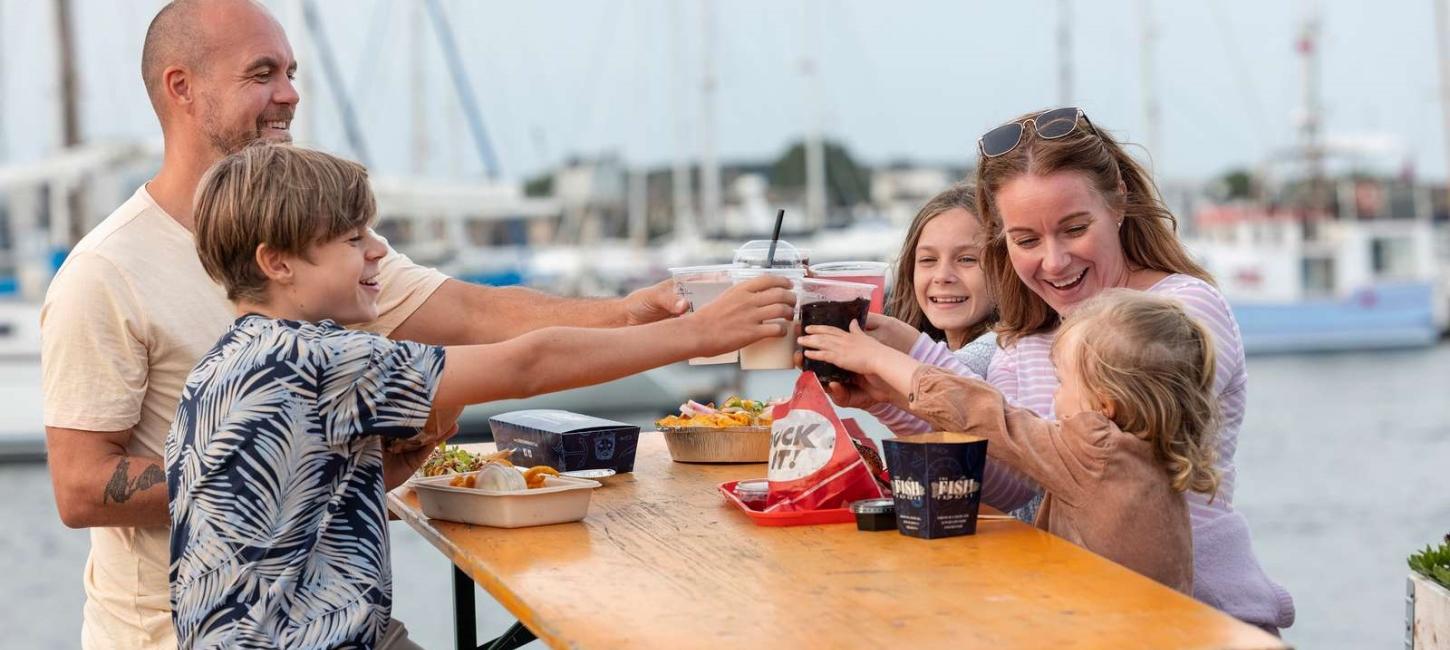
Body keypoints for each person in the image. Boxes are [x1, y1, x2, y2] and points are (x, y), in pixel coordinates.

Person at [38, 1, 682, 647]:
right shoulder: (104, 271)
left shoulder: (321, 245)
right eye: (262, 74)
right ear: (182, 87)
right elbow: (80, 486)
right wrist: (284, 457)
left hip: (336, 617)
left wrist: (630, 314)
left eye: (291, 72)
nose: (289, 94)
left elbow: (470, 311)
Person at [166, 143, 793, 649]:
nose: (379, 249)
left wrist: (387, 470)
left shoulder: (222, 367)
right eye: (353, 238)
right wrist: (699, 332)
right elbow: (528, 363)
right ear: (278, 263)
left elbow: (274, 516)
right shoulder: (320, 358)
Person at [818, 107, 1294, 633]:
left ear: (1118, 199)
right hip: (1085, 616)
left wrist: (908, 362)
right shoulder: (1028, 335)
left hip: (1200, 621)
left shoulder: (1176, 313)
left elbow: (1060, 447)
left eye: (1074, 229)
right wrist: (888, 397)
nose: (1054, 261)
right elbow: (1015, 481)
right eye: (1026, 240)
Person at [802, 289, 1220, 593]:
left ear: (1105, 404)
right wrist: (889, 394)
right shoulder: (1151, 453)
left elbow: (991, 418)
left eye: (1064, 382)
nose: (1055, 397)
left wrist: (879, 359)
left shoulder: (1098, 453)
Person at [883, 182, 997, 378]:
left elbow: (952, 381)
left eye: (966, 259)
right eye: (928, 260)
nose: (942, 276)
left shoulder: (1006, 348)